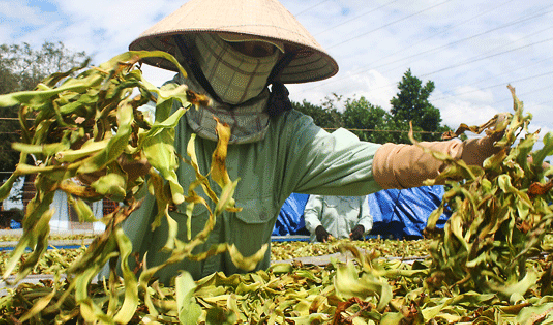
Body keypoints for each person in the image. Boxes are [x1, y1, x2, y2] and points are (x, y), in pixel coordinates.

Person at [119, 0, 506, 284]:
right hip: (152, 319)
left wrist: (459, 155)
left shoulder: (286, 136)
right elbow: (86, 172)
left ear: (278, 62)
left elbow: (373, 161)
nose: (252, 58)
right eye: (238, 43)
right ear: (196, 45)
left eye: (263, 49)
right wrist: (114, 160)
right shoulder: (152, 120)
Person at [304, 194, 373, 242]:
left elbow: (366, 217)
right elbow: (311, 212)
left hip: (348, 249)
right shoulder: (322, 185)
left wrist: (362, 227)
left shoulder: (360, 191)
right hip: (322, 247)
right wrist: (317, 227)